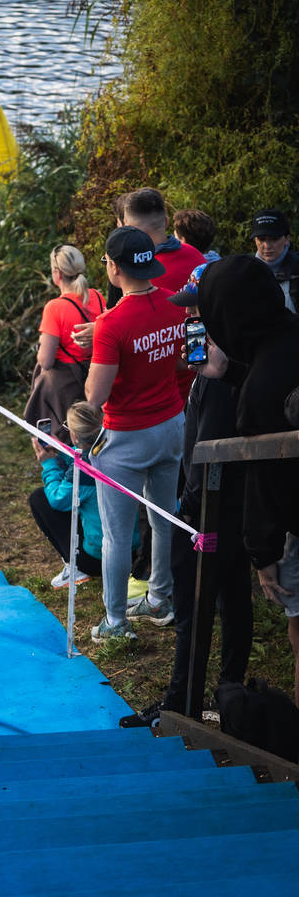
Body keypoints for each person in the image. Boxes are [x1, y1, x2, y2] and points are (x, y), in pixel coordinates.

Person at [120, 263, 253, 727]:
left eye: (196, 308)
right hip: (213, 501)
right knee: (232, 598)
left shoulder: (224, 370)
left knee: (198, 608)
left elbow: (212, 450)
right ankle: (224, 690)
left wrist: (190, 515)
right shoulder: (213, 351)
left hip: (210, 511)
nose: (189, 316)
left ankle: (185, 703)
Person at [192, 254, 299, 706]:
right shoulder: (289, 337)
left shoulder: (257, 396)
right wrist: (230, 371)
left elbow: (265, 476)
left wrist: (263, 553)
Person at [85, 226, 186, 642]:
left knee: (116, 535)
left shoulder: (110, 324)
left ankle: (115, 621)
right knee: (164, 517)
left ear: (113, 267)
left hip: (125, 438)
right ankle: (160, 598)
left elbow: (95, 394)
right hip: (171, 426)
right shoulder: (176, 304)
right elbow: (182, 365)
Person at [24, 244, 105, 443]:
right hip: (95, 374)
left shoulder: (55, 308)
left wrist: (42, 345)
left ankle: (50, 444)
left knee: (42, 374)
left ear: (56, 273)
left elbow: (46, 361)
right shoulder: (97, 296)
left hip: (67, 384)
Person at [29, 401, 105, 589]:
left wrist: (48, 464)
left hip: (98, 558)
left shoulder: (83, 469)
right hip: (131, 547)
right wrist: (63, 451)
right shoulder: (111, 449)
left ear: (75, 436)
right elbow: (83, 456)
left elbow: (57, 500)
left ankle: (76, 566)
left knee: (39, 499)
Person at [250, 208, 299, 312]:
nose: (267, 246)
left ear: (287, 239)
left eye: (274, 239)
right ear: (255, 240)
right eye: (261, 239)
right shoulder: (244, 271)